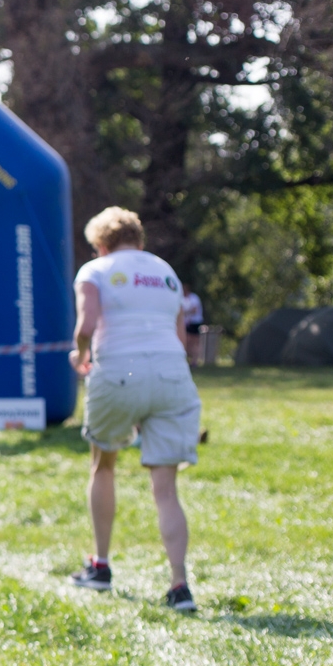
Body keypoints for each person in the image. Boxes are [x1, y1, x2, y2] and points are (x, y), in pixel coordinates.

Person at [68, 206, 201, 611]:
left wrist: (81, 354)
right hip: (171, 375)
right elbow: (179, 336)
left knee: (103, 465)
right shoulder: (165, 271)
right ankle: (179, 586)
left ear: (101, 244)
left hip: (119, 372)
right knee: (166, 489)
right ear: (138, 240)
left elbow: (87, 324)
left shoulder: (96, 271)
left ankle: (101, 566)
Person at [181, 284, 205, 367]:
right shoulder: (182, 298)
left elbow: (194, 310)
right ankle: (188, 359)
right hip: (187, 323)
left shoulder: (194, 297)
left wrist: (184, 312)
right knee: (186, 341)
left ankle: (194, 361)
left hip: (194, 322)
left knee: (195, 342)